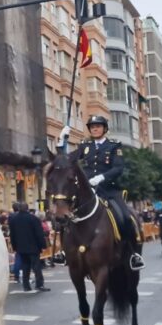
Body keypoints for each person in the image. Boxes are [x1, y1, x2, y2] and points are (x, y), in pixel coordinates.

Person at [60, 115, 145, 270]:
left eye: (98, 126)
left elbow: (118, 168)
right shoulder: (85, 146)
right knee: (64, 216)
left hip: (108, 190)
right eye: (92, 127)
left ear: (104, 129)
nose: (95, 129)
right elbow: (66, 159)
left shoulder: (114, 146)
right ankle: (64, 251)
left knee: (125, 217)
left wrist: (101, 177)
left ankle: (133, 253)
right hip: (87, 191)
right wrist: (62, 141)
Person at [8, 202, 48, 292]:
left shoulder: (14, 219)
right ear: (27, 209)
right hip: (33, 247)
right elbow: (39, 233)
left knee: (25, 266)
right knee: (36, 266)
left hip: (21, 247)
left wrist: (14, 246)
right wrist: (43, 245)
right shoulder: (33, 218)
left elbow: (12, 235)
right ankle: (39, 284)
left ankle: (26, 286)